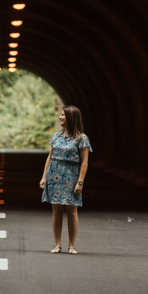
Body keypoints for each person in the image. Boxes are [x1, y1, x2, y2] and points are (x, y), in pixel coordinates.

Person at [39, 105, 91, 254]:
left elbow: (85, 162)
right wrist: (44, 177)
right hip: (54, 176)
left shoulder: (82, 138)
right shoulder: (56, 136)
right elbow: (50, 157)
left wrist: (80, 182)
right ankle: (57, 245)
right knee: (56, 211)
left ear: (71, 118)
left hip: (71, 177)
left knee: (72, 211)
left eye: (63, 115)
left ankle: (71, 245)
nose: (60, 117)